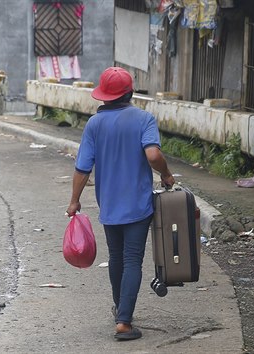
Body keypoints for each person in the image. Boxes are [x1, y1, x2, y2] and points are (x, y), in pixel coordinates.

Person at [66, 67, 175, 341]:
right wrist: (165, 173)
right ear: (130, 92)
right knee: (131, 260)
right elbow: (152, 154)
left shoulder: (94, 124)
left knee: (116, 258)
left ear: (104, 95)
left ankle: (121, 310)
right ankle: (124, 322)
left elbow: (82, 168)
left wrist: (74, 201)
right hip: (138, 205)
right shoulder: (144, 119)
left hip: (110, 205)